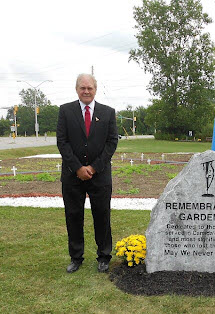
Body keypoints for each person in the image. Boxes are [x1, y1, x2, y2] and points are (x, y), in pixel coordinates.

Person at [57, 73, 118, 273]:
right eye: (82, 88)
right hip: (72, 175)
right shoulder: (65, 111)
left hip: (99, 175)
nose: (86, 91)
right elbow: (62, 142)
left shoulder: (108, 113)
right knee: (73, 216)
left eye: (89, 88)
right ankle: (76, 257)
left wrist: (92, 168)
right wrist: (77, 168)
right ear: (77, 89)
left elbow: (111, 143)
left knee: (102, 215)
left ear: (95, 89)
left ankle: (104, 256)